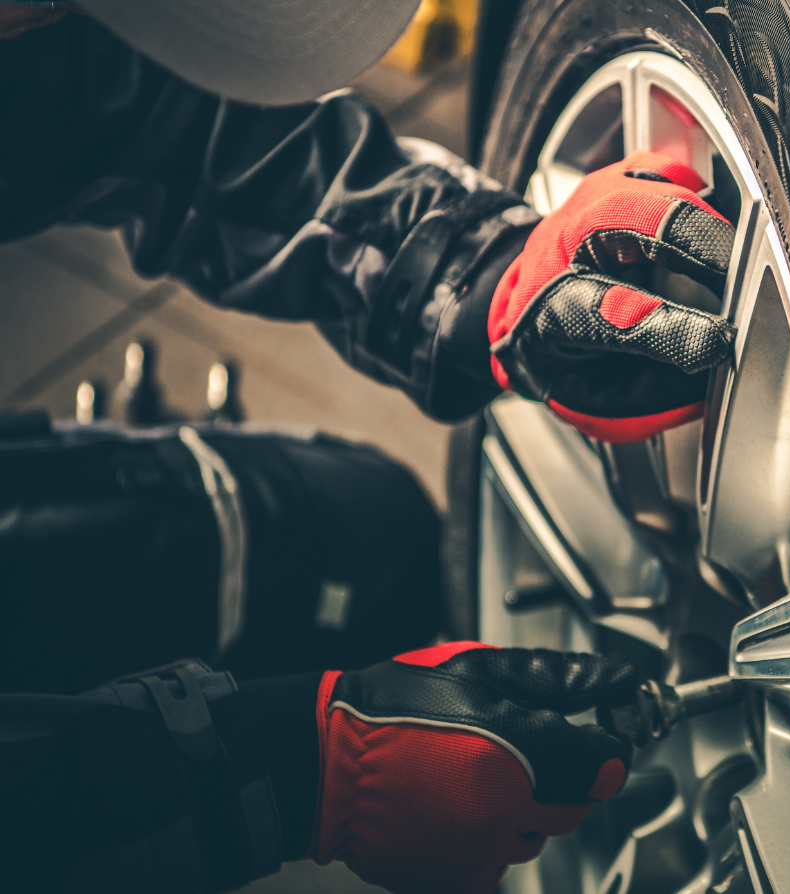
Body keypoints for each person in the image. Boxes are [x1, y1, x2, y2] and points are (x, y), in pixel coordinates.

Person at [0, 1, 737, 891]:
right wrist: (294, 772)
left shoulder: (34, 50)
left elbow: (147, 119)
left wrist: (476, 272)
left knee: (372, 544)